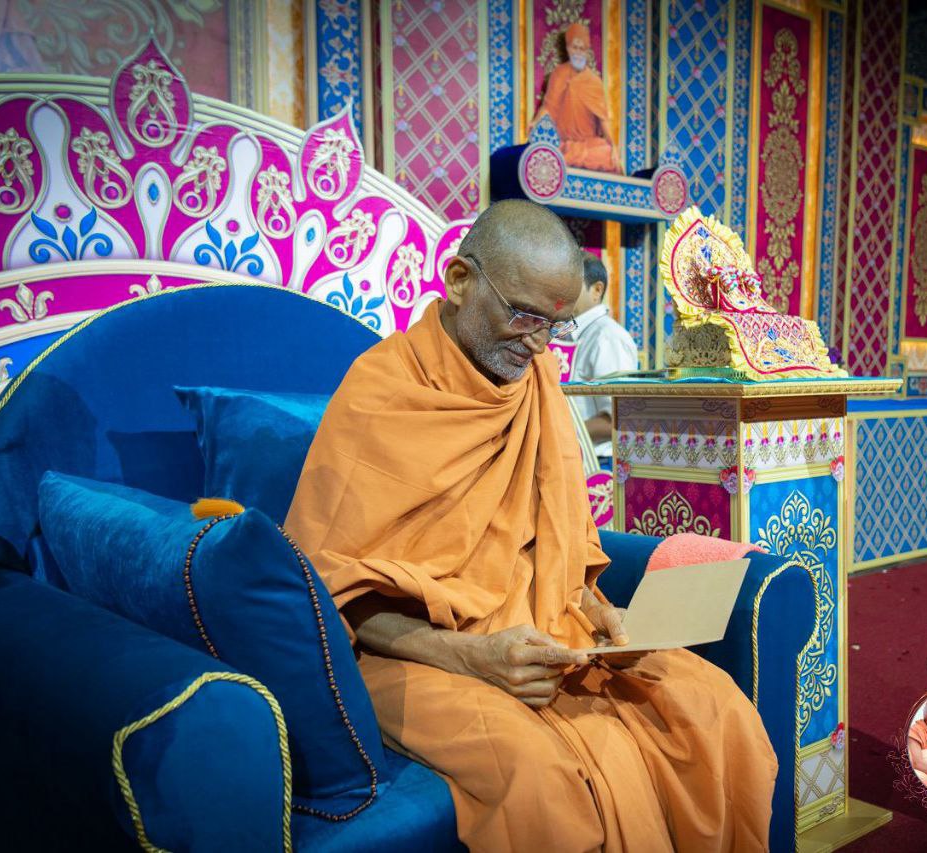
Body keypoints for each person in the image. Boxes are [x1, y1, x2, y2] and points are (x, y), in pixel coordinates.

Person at [285, 199, 776, 852]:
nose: (540, 344)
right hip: (410, 652)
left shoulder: (536, 382)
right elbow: (331, 592)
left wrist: (601, 614)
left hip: (546, 635)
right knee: (542, 778)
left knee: (713, 707)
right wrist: (473, 657)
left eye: (555, 324)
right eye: (523, 315)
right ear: (460, 280)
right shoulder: (383, 391)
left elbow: (557, 547)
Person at [567, 251, 639, 464]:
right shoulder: (566, 333)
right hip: (571, 456)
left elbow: (619, 417)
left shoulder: (607, 337)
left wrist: (560, 435)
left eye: (571, 284)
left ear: (596, 290)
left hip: (598, 463)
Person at [532, 23, 621, 172]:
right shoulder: (559, 74)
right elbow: (549, 108)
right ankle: (566, 157)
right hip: (563, 144)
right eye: (575, 47)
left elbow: (603, 120)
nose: (578, 52)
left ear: (587, 50)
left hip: (589, 145)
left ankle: (573, 158)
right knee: (549, 151)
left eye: (582, 48)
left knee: (606, 153)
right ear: (568, 48)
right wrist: (535, 123)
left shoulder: (595, 82)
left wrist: (614, 147)